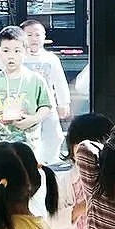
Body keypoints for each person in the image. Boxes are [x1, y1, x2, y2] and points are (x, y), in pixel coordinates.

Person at [0, 27, 54, 152]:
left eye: (17, 51)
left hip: (29, 145)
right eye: (6, 51)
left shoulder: (36, 80)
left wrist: (34, 119)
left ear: (25, 52)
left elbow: (46, 106)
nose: (11, 56)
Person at [19, 19, 75, 161]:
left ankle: (48, 161)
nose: (33, 39)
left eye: (37, 35)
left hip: (47, 103)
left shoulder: (51, 59)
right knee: (27, 136)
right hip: (24, 105)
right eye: (29, 35)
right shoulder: (18, 57)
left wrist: (63, 103)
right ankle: (30, 160)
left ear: (44, 37)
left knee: (55, 135)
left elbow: (60, 82)